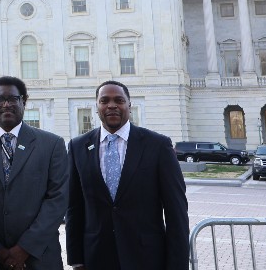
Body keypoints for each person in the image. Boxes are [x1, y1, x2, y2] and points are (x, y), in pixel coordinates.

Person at [66, 80, 189, 270]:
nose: (111, 105)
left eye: (119, 100)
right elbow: (74, 207)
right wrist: (76, 260)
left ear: (129, 106)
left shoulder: (157, 146)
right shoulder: (78, 147)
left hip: (147, 259)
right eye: (104, 101)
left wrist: (177, 265)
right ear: (97, 107)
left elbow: (176, 212)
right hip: (96, 258)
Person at [0, 76, 68, 270]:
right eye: (0, 99)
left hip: (40, 257)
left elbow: (57, 200)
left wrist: (24, 248)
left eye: (13, 99)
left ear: (24, 101)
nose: (6, 104)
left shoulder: (52, 145)